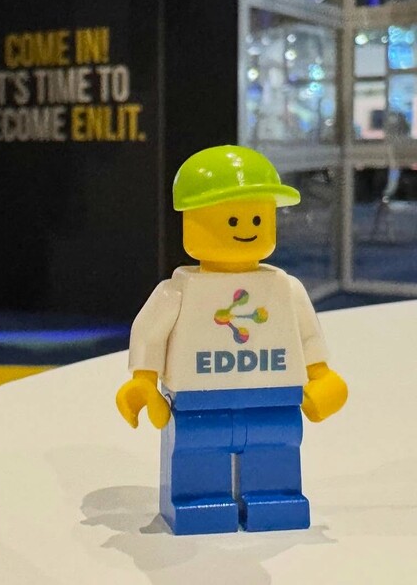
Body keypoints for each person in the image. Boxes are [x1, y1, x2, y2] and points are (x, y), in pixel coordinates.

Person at [116, 145, 347, 535]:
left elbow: (307, 334)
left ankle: (275, 498)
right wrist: (143, 379)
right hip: (198, 400)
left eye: (258, 217)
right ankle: (197, 501)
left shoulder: (285, 288)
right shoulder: (180, 290)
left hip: (275, 394)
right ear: (190, 219)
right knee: (197, 448)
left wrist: (321, 375)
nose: (247, 227)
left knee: (276, 445)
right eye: (233, 218)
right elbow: (149, 332)